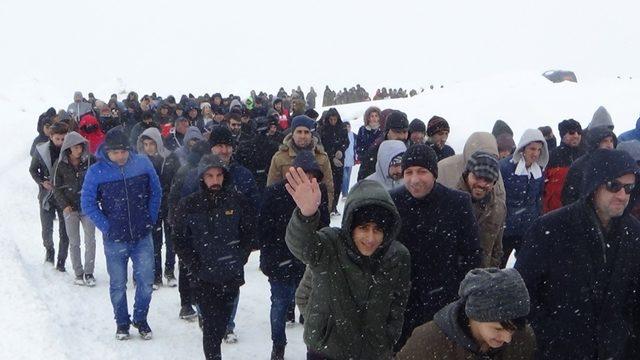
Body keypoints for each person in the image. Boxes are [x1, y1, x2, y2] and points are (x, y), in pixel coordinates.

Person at [516, 148, 640, 359]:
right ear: (594, 186)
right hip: (560, 351)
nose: (622, 195)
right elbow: (522, 292)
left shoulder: (634, 233)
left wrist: (626, 336)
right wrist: (550, 335)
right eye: (614, 186)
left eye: (629, 188)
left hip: (615, 351)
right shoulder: (551, 228)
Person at [285, 169, 411, 360]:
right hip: (326, 353)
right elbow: (301, 245)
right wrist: (307, 215)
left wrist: (388, 336)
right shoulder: (330, 244)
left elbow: (399, 301)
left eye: (377, 230)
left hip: (373, 353)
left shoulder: (397, 256)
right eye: (363, 228)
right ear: (351, 225)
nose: (370, 238)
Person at [391, 144, 481, 350]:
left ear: (434, 173)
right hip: (401, 301)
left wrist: (460, 296)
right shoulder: (392, 201)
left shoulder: (457, 202)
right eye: (409, 172)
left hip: (443, 301)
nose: (415, 179)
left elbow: (472, 254)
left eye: (422, 171)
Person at [81, 127, 162, 340]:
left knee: (146, 281)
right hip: (115, 239)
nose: (120, 156)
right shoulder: (96, 172)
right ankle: (122, 323)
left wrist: (150, 218)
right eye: (115, 152)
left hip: (142, 235)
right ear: (106, 151)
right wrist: (107, 227)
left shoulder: (142, 164)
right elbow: (87, 203)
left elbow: (156, 191)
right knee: (118, 284)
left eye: (124, 151)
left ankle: (140, 318)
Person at [173, 154, 255, 360]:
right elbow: (180, 241)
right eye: (210, 176)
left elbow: (248, 233)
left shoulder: (237, 201)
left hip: (230, 274)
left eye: (219, 175)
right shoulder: (189, 204)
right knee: (211, 326)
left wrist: (239, 259)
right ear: (202, 178)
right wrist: (195, 266)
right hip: (204, 277)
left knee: (223, 322)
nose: (215, 180)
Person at [258, 151, 330, 360]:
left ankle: (312, 347)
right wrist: (269, 261)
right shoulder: (274, 194)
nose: (307, 179)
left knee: (311, 306)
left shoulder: (319, 193)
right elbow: (264, 231)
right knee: (279, 305)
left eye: (312, 175)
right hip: (280, 261)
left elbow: (324, 227)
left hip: (308, 262)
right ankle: (278, 346)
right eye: (302, 173)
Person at [396, 268, 535, 360]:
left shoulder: (523, 338)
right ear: (475, 315)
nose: (507, 339)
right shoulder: (429, 342)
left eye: (512, 329)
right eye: (498, 329)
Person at [167, 140, 211, 321]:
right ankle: (188, 301)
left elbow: (174, 197)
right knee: (189, 263)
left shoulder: (187, 170)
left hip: (190, 222)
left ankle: (189, 301)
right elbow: (176, 197)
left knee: (188, 263)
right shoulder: (191, 172)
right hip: (191, 223)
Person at [136, 127, 181, 289]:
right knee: (154, 241)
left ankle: (169, 271)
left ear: (158, 143)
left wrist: (173, 200)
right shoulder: (140, 161)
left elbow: (177, 180)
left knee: (171, 240)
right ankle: (155, 274)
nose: (149, 148)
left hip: (169, 204)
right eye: (146, 144)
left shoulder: (170, 158)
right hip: (151, 205)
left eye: (152, 144)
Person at [52, 131, 97, 286]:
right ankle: (78, 273)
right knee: (74, 241)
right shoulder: (60, 164)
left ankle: (89, 272)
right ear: (69, 148)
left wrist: (93, 199)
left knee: (90, 239)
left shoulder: (90, 160)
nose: (79, 150)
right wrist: (64, 205)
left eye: (81, 146)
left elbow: (97, 180)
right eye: (76, 147)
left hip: (87, 207)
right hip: (70, 208)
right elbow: (56, 188)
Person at [499, 129, 549, 266]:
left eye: (539, 150)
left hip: (528, 228)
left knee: (528, 266)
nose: (535, 153)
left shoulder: (539, 171)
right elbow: (498, 198)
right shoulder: (504, 167)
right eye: (532, 149)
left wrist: (537, 221)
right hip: (506, 228)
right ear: (523, 148)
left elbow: (538, 198)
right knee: (498, 265)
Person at [267, 115, 335, 211]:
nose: (303, 136)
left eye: (306, 132)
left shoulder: (322, 158)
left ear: (311, 134)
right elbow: (272, 190)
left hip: (315, 212)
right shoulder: (279, 158)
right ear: (292, 134)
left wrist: (325, 211)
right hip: (287, 213)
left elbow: (329, 188)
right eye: (299, 132)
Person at [29, 122, 70, 270]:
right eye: (58, 138)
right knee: (46, 227)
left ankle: (61, 260)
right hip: (47, 194)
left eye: (63, 139)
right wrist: (42, 181)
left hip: (65, 194)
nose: (60, 142)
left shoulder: (70, 150)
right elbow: (33, 170)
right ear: (51, 136)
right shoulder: (41, 150)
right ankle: (49, 250)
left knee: (65, 230)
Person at [456, 151, 506, 268]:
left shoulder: (499, 208)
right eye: (477, 177)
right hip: (453, 276)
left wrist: (492, 269)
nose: (481, 184)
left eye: (488, 180)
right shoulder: (449, 200)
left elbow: (497, 247)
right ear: (467, 174)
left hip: (482, 277)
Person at [561, 126, 616, 206]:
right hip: (585, 212)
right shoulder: (580, 166)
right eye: (605, 141)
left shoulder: (616, 164)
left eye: (611, 141)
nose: (609, 145)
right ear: (595, 143)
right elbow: (569, 197)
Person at [543, 119, 585, 213]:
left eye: (579, 132)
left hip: (579, 212)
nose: (576, 135)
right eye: (571, 132)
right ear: (562, 135)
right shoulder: (551, 156)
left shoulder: (585, 156)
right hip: (554, 213)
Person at [357, 110, 409, 180]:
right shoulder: (376, 150)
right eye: (397, 132)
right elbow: (363, 182)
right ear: (388, 132)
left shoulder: (409, 148)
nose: (402, 136)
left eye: (405, 132)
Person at [319, 108, 350, 215]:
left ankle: (334, 206)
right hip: (327, 159)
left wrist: (341, 150)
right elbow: (322, 145)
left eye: (334, 119)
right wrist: (331, 156)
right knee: (328, 183)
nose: (333, 122)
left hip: (340, 159)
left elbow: (346, 142)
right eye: (331, 119)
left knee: (338, 183)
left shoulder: (342, 128)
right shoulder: (324, 130)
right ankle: (328, 205)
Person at [341, 121, 356, 198]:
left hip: (351, 159)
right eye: (346, 126)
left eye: (348, 126)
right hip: (343, 159)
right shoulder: (341, 135)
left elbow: (356, 146)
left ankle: (345, 191)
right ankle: (345, 193)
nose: (347, 128)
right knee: (345, 176)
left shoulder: (353, 135)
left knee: (348, 177)